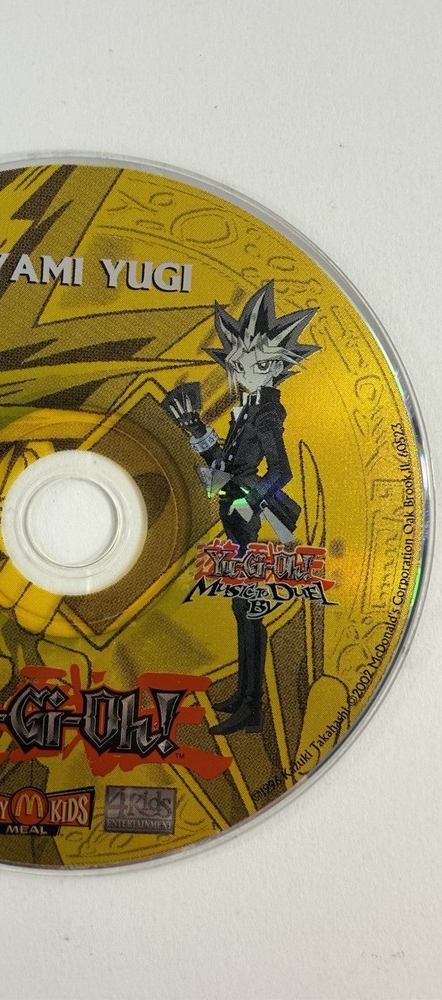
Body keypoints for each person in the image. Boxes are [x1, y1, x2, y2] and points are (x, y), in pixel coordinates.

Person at [164, 281, 320, 735]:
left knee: (249, 608)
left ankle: (252, 707)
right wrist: (197, 431)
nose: (239, 371)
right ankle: (246, 696)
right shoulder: (246, 411)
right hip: (235, 521)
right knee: (241, 607)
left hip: (247, 523)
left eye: (250, 363)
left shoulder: (266, 414)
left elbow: (281, 471)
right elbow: (225, 464)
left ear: (273, 365)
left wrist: (246, 497)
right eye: (236, 363)